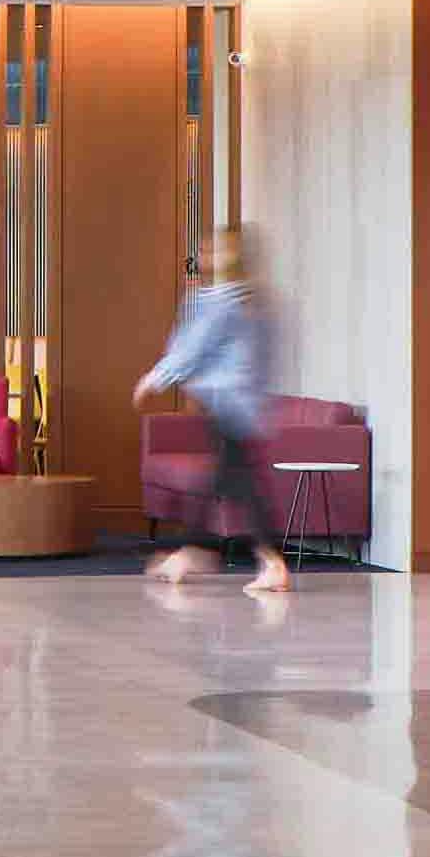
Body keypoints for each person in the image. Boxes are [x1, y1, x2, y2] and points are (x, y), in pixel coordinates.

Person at [140, 224, 293, 590]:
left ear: (231, 258)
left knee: (236, 483)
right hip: (241, 403)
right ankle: (195, 552)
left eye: (216, 251)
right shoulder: (250, 301)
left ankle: (263, 560)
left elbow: (194, 348)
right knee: (224, 480)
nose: (207, 257)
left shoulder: (225, 302)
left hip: (229, 404)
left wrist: (155, 379)